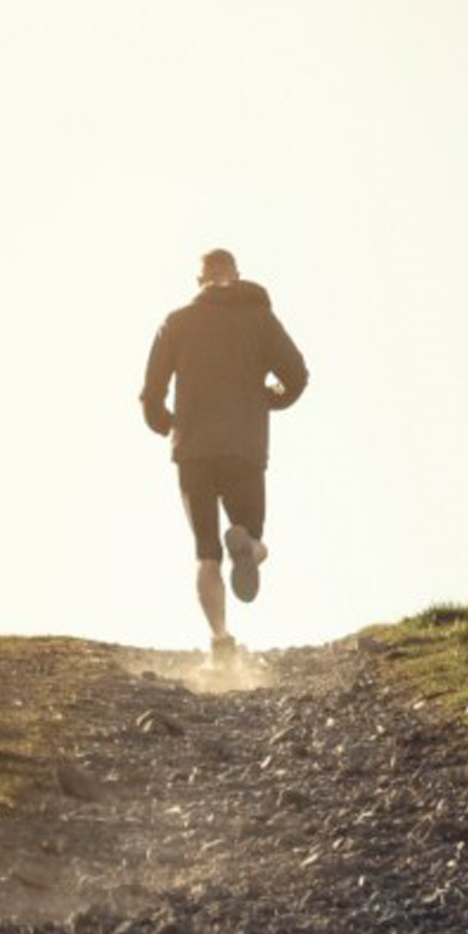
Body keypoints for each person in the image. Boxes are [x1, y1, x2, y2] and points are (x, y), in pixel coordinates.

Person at [138, 247, 309, 659]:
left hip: (193, 447)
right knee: (253, 537)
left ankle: (220, 640)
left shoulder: (176, 322)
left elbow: (152, 393)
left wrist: (167, 425)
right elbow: (297, 375)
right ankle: (247, 546)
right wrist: (270, 399)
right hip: (244, 446)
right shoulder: (259, 319)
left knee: (205, 552)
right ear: (235, 275)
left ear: (200, 282)